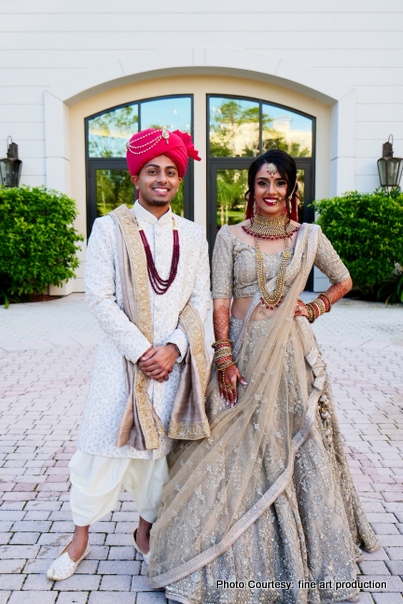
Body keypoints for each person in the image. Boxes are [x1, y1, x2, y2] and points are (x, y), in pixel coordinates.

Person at [148, 149, 379, 604]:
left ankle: (298, 555)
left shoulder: (309, 235)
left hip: (291, 355)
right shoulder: (229, 236)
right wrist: (225, 357)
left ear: (292, 189)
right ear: (250, 189)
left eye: (279, 183)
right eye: (261, 183)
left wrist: (313, 308)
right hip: (242, 354)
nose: (270, 191)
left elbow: (343, 279)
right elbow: (219, 299)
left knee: (293, 440)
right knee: (227, 443)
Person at [46, 128, 211, 581]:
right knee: (100, 452)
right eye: (153, 171)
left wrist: (175, 348)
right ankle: (79, 539)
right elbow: (98, 298)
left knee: (160, 459)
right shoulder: (109, 228)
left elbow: (201, 300)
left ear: (180, 180)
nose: (163, 179)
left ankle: (144, 534)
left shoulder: (194, 236)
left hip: (172, 368)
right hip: (121, 366)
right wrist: (143, 352)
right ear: (136, 178)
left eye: (172, 172)